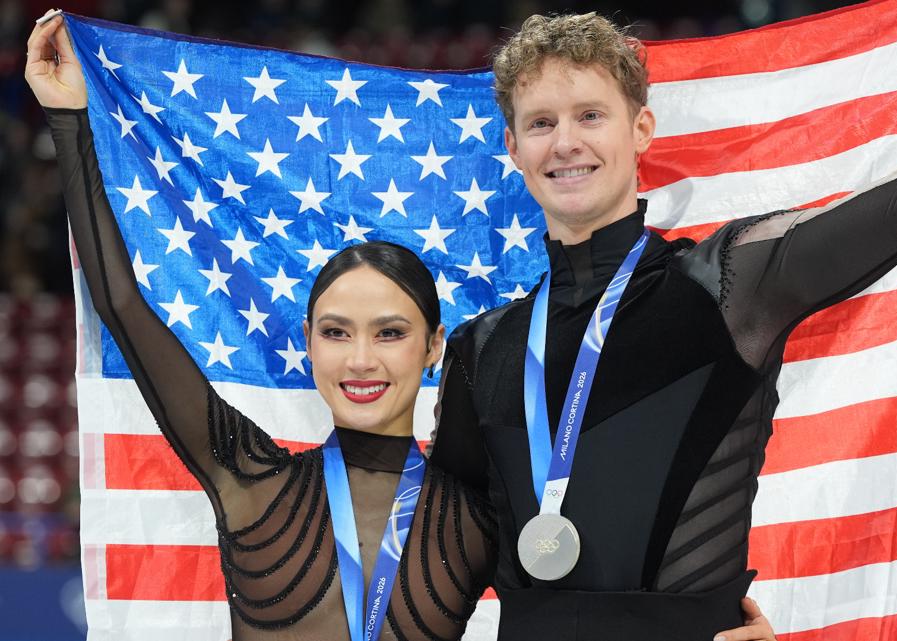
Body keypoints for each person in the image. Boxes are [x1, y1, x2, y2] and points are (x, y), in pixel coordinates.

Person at [25, 9, 781, 641]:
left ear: (432, 351)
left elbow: (595, 566)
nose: (361, 357)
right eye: (335, 331)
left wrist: (713, 616)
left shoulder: (474, 519)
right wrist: (67, 120)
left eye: (389, 332)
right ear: (309, 347)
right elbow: (124, 306)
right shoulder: (249, 480)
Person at [427, 2, 897, 640]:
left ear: (641, 129)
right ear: (514, 149)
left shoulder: (731, 284)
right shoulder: (482, 352)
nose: (566, 142)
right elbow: (437, 572)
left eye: (590, 115)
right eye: (541, 123)